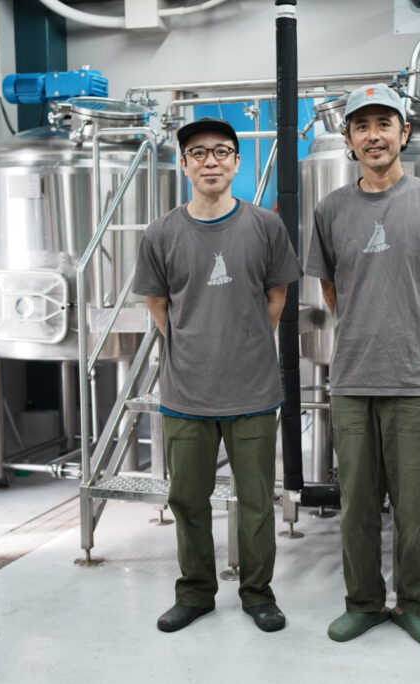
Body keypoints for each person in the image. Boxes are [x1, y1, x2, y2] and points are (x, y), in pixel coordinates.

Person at [305, 84, 420, 648]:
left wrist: (413, 334)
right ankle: (364, 603)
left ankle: (416, 605)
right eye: (361, 126)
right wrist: (367, 328)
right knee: (357, 505)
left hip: (418, 379)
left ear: (404, 133)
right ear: (349, 139)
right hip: (353, 379)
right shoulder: (330, 210)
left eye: (383, 124)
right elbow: (330, 289)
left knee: (419, 505)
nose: (373, 135)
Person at [131, 117, 303, 633]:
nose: (211, 161)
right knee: (187, 500)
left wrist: (242, 343)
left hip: (253, 391)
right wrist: (195, 344)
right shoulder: (161, 233)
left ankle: (258, 593)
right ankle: (195, 592)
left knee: (255, 501)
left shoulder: (265, 226)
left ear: (236, 162)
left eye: (221, 152)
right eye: (199, 153)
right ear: (184, 164)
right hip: (186, 393)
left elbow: (276, 297)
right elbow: (157, 305)